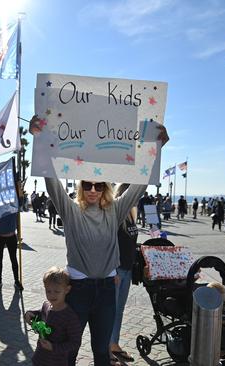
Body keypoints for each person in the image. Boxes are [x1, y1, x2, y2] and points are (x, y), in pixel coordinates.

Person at [30, 114, 169, 366]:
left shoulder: (115, 209)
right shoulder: (71, 211)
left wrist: (156, 149)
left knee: (102, 353)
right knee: (68, 351)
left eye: (97, 185)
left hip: (107, 289)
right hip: (78, 290)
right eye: (87, 185)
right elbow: (52, 184)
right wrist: (39, 139)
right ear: (81, 187)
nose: (92, 190)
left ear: (105, 187)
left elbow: (139, 185)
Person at [24, 266, 82, 366]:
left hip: (57, 361)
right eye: (48, 291)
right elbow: (41, 313)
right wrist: (30, 314)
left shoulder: (70, 317)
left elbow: (75, 343)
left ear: (67, 290)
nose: (52, 295)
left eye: (57, 291)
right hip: (39, 358)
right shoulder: (46, 305)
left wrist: (53, 347)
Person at [110, 184, 138, 364]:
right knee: (111, 311)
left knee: (118, 311)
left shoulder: (131, 214)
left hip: (127, 270)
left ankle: (114, 344)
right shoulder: (116, 214)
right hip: (117, 271)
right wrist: (113, 270)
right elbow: (110, 243)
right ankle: (106, 348)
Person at [0, 213, 22, 291]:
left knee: (13, 259)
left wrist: (19, 233)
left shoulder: (15, 204)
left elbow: (18, 219)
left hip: (11, 236)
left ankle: (16, 281)